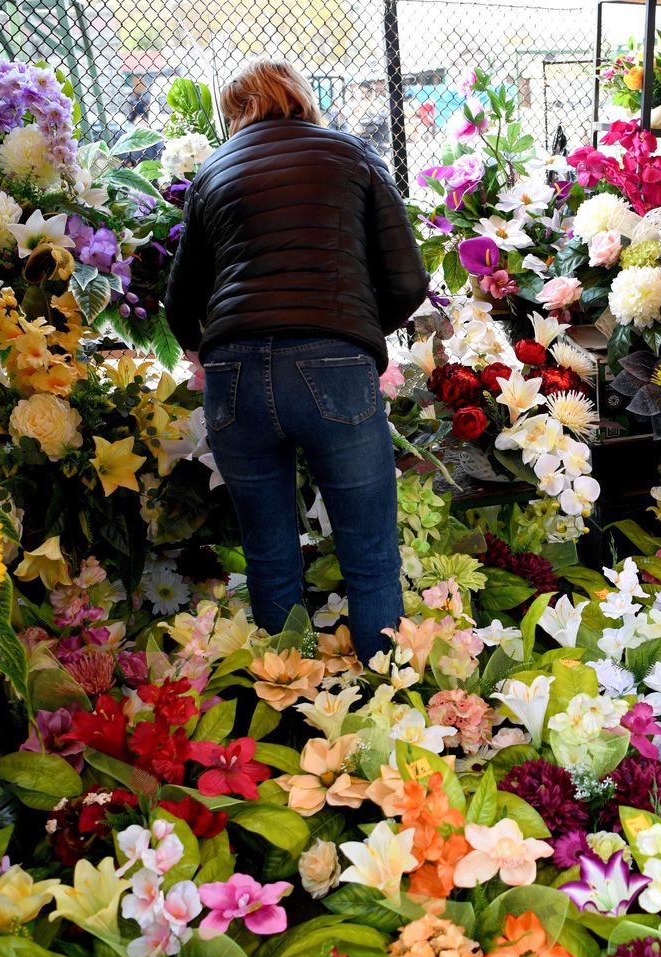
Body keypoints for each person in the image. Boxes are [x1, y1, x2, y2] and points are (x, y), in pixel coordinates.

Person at [164, 58, 428, 663]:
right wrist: (354, 332)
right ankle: (383, 695)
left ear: (233, 112)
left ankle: (287, 695)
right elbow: (408, 280)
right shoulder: (352, 156)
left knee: (269, 547)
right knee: (368, 549)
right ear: (300, 97)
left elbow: (181, 302)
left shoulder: (212, 173)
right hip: (332, 366)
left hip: (232, 372)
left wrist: (205, 350)